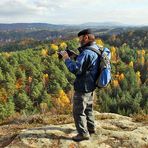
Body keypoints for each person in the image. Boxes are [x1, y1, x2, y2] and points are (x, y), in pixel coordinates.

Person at [61, 29, 101, 142]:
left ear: (86, 37)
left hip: (83, 87)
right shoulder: (96, 48)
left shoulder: (86, 52)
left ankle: (83, 134)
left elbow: (76, 69)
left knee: (78, 111)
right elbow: (87, 64)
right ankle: (91, 128)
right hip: (91, 85)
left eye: (80, 38)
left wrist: (67, 59)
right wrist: (76, 56)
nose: (79, 40)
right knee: (88, 108)